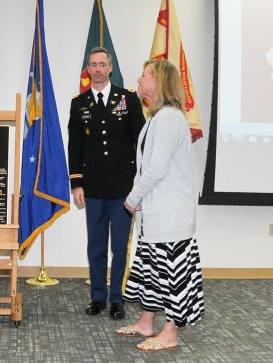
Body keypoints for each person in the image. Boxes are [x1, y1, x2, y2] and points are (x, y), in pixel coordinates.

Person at [117, 59, 204, 351]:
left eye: (144, 75)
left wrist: (132, 199)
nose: (139, 79)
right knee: (152, 274)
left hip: (170, 217)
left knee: (171, 277)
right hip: (155, 216)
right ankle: (146, 323)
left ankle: (170, 333)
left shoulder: (168, 118)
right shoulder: (157, 118)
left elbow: (155, 169)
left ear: (159, 82)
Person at [68, 47, 145, 319]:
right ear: (87, 70)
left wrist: (141, 183)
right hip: (94, 188)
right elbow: (75, 145)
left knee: (120, 245)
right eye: (93, 65)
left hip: (124, 187)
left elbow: (141, 142)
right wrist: (76, 183)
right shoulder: (80, 103)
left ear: (110, 68)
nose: (98, 69)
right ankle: (98, 297)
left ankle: (117, 299)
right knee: (96, 245)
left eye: (102, 64)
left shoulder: (128, 99)